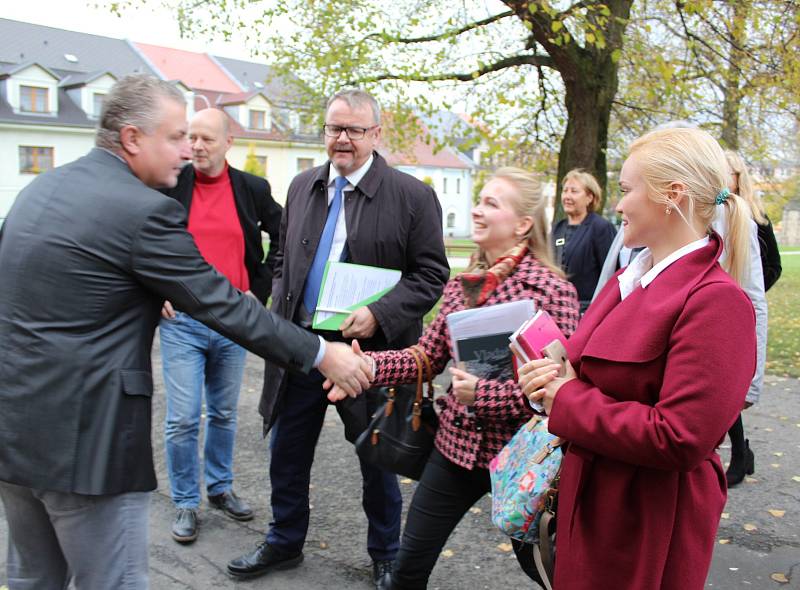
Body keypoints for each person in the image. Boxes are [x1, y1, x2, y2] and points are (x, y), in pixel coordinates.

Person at [0, 74, 371, 590]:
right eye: (176, 137)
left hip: (14, 434)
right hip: (87, 448)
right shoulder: (142, 210)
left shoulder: (41, 188)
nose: (187, 150)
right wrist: (321, 353)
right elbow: (222, 304)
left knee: (32, 579)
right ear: (132, 138)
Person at [226, 89, 450, 589]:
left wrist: (379, 313)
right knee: (287, 450)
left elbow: (432, 274)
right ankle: (284, 541)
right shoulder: (304, 184)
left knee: (378, 457)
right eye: (333, 128)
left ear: (375, 133)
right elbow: (283, 256)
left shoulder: (411, 195)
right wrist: (279, 306)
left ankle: (386, 555)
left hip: (369, 353)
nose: (341, 138)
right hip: (302, 345)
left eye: (352, 129)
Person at [519, 127, 757, 590]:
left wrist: (565, 399)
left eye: (628, 191)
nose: (618, 205)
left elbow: (681, 436)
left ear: (673, 196)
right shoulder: (633, 276)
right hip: (594, 500)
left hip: (645, 520)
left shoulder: (716, 302)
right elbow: (586, 373)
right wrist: (547, 378)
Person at [331, 167, 580, 589]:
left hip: (524, 458)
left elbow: (560, 390)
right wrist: (369, 368)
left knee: (553, 570)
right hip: (455, 450)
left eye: (491, 204)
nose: (477, 211)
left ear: (522, 224)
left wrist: (482, 394)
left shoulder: (551, 289)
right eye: (479, 201)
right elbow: (427, 355)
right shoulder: (462, 286)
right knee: (407, 569)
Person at [158, 107, 283, 543]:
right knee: (184, 418)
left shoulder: (251, 188)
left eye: (207, 139)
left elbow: (283, 236)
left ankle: (219, 488)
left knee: (225, 413)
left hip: (234, 323)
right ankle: (186, 502)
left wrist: (259, 288)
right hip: (183, 323)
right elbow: (141, 240)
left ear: (228, 142)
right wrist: (156, 292)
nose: (196, 146)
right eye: (191, 137)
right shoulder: (171, 184)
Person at [723, 150, 781, 486]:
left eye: (728, 172)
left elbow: (773, 265)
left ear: (738, 176)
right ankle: (740, 451)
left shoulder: (756, 218)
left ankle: (740, 453)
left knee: (736, 384)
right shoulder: (713, 215)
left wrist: (746, 293)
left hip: (742, 305)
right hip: (722, 306)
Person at [551, 169, 616, 313]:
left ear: (589, 197)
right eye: (565, 191)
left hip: (588, 311)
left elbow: (611, 274)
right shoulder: (556, 229)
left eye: (574, 191)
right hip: (558, 311)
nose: (567, 196)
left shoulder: (600, 228)